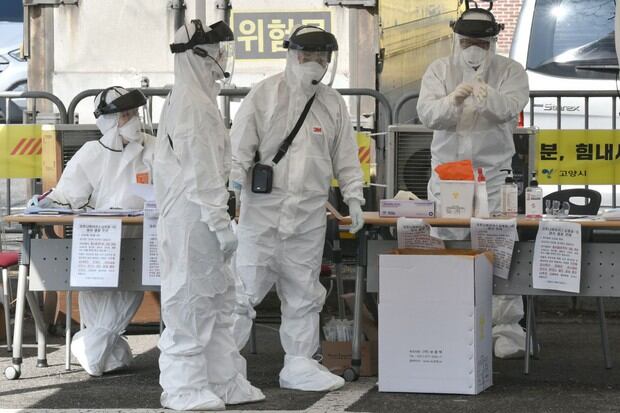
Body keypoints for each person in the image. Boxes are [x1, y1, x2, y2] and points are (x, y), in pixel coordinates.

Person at [229, 25, 365, 392]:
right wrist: (232, 186)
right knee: (243, 290)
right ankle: (223, 363)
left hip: (308, 217)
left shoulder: (333, 103)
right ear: (291, 54)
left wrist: (354, 197)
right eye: (308, 55)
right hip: (263, 213)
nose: (316, 63)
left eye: (323, 57)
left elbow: (346, 158)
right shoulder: (265, 95)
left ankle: (300, 363)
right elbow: (239, 147)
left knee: (304, 293)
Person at [153, 19, 264, 411]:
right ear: (197, 57)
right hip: (192, 220)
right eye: (217, 52)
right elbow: (200, 173)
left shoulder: (199, 100)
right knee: (191, 302)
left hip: (204, 219)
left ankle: (223, 380)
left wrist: (219, 221)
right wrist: (219, 222)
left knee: (217, 300)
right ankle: (184, 388)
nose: (221, 60)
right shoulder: (191, 103)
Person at [416, 7, 529, 359]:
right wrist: (454, 99)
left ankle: (506, 327)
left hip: (493, 175)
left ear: (493, 41)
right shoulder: (440, 70)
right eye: (468, 41)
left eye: (481, 41)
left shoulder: (510, 70)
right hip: (449, 174)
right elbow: (427, 114)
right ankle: (449, 319)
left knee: (497, 249)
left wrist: (486, 95)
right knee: (446, 246)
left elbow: (511, 107)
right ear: (457, 39)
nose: (474, 48)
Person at [27, 86, 154, 376]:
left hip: (141, 240)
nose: (133, 119)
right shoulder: (91, 153)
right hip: (97, 243)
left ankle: (89, 348)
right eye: (125, 115)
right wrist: (45, 202)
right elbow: (67, 195)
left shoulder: (153, 148)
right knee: (97, 297)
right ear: (108, 120)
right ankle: (98, 351)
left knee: (126, 292)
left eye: (134, 113)